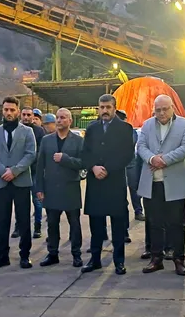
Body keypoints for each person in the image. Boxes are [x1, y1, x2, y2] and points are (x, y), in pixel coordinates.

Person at [137, 95, 185, 276]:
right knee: (154, 223)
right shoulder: (147, 125)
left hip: (175, 184)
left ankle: (179, 259)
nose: (161, 113)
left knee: (176, 224)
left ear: (172, 108)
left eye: (165, 109)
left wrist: (164, 160)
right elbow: (141, 146)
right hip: (151, 183)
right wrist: (152, 158)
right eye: (158, 110)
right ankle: (156, 259)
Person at [81, 94, 135, 275]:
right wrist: (93, 167)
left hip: (114, 182)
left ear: (114, 108)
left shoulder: (125, 128)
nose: (104, 111)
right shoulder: (92, 128)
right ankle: (95, 259)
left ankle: (119, 261)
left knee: (118, 224)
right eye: (102, 107)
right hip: (95, 182)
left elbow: (127, 154)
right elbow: (85, 152)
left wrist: (107, 169)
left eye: (108, 107)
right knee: (96, 224)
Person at [0, 97, 37, 269]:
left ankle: (25, 255)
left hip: (21, 181)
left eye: (12, 110)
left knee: (24, 220)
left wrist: (14, 171)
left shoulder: (27, 132)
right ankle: (2, 256)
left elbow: (31, 154)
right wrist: (3, 171)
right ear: (2, 111)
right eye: (6, 110)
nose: (8, 113)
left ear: (18, 111)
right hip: (0, 182)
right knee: (2, 220)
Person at [35, 108, 85, 268]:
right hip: (51, 189)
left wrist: (65, 159)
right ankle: (52, 254)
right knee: (52, 224)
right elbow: (40, 165)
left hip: (70, 189)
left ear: (70, 121)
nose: (59, 120)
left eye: (63, 117)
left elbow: (83, 163)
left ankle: (76, 254)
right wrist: (39, 188)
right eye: (57, 117)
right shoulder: (46, 140)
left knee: (74, 224)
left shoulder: (78, 141)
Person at [19, 107, 46, 239]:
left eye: (29, 115)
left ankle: (37, 227)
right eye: (24, 114)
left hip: (34, 171)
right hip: (20, 171)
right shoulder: (17, 130)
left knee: (37, 201)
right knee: (20, 201)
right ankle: (18, 227)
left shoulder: (39, 131)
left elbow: (40, 151)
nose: (26, 117)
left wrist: (29, 162)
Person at [117, 110, 145, 224]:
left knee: (134, 189)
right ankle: (122, 213)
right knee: (120, 191)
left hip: (131, 164)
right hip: (118, 165)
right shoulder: (112, 131)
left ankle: (138, 211)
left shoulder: (131, 131)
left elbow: (129, 144)